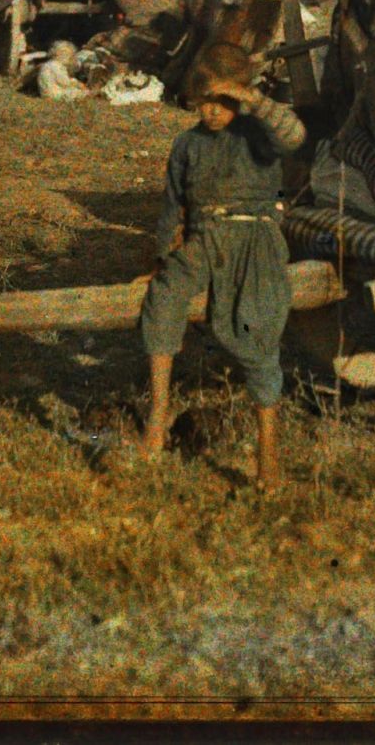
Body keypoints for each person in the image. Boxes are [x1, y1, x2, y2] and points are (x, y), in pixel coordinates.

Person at [137, 77, 306, 488]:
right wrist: (161, 256)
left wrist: (251, 97)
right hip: (205, 238)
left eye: (222, 101)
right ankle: (158, 417)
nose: (212, 111)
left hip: (254, 238)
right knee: (163, 297)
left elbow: (295, 135)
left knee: (255, 327)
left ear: (236, 98)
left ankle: (268, 455)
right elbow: (172, 205)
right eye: (205, 101)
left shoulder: (258, 136)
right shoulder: (187, 144)